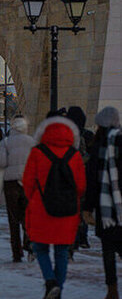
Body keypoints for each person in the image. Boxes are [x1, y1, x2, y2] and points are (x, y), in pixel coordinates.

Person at [23, 114, 86, 299]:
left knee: (40, 249)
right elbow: (81, 186)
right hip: (67, 210)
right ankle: (58, 289)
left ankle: (50, 282)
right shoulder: (74, 155)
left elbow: (28, 183)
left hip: (41, 208)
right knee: (61, 251)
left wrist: (35, 198)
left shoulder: (37, 152)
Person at [83, 106, 122, 299]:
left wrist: (87, 207)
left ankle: (112, 289)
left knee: (108, 250)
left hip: (104, 207)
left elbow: (92, 180)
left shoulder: (98, 147)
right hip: (120, 206)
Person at [0, 116, 35, 262]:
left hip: (10, 182)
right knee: (28, 215)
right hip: (28, 182)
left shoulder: (5, 143)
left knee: (13, 218)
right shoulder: (32, 142)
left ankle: (16, 253)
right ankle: (29, 242)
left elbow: (0, 163)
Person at [67, 105, 94, 251]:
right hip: (83, 178)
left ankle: (74, 238)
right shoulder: (88, 135)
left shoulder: (67, 135)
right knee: (81, 208)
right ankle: (82, 237)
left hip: (69, 177)